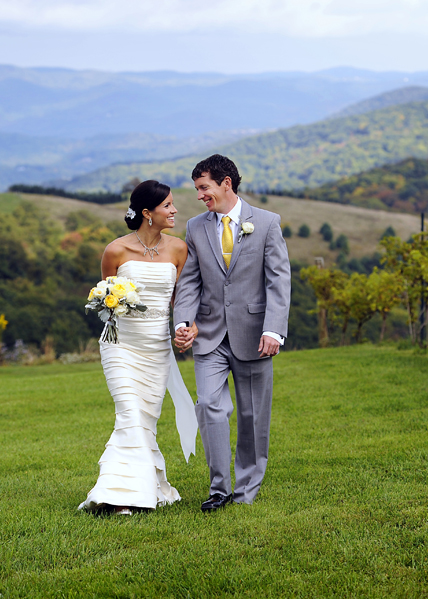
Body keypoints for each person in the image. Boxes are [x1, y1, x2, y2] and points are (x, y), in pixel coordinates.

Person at [174, 154, 290, 512]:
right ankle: (219, 488)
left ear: (226, 183)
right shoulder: (195, 227)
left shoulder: (268, 223)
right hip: (208, 334)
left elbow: (278, 280)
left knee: (253, 416)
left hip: (255, 333)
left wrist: (273, 329)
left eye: (204, 187)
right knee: (208, 405)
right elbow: (190, 281)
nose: (199, 196)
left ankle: (247, 488)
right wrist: (182, 322)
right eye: (197, 189)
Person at [79, 180, 198, 515]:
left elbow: (183, 301)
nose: (174, 210)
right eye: (168, 206)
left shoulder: (178, 250)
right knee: (129, 414)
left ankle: (143, 487)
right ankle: (118, 497)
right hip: (120, 346)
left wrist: (188, 328)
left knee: (145, 421)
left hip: (157, 349)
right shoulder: (115, 251)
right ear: (147, 213)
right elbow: (104, 300)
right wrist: (108, 304)